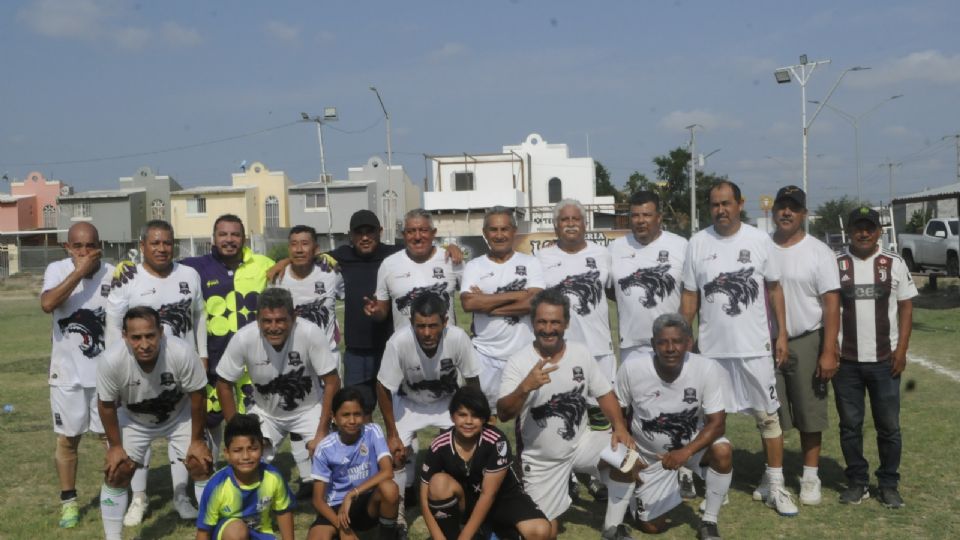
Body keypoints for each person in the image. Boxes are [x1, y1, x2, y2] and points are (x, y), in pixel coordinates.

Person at [679, 180, 798, 516]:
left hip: (754, 348)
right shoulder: (697, 243)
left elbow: (774, 290)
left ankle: (775, 485)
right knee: (714, 421)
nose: (721, 210)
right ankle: (720, 487)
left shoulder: (760, 240)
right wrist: (683, 335)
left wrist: (782, 335)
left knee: (767, 417)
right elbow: (690, 296)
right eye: (715, 204)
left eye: (727, 203)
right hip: (713, 352)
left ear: (740, 204)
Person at [497, 289, 635, 540]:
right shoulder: (518, 362)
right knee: (543, 533)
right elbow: (504, 413)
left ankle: (612, 528)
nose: (548, 329)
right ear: (532, 322)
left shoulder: (580, 353)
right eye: (542, 322)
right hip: (541, 461)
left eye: (555, 322)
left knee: (630, 460)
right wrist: (525, 387)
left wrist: (620, 427)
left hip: (581, 443)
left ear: (566, 324)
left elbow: (604, 393)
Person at [105, 219, 208, 523]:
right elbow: (113, 323)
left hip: (180, 371)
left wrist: (201, 355)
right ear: (142, 247)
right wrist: (121, 368)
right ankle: (138, 497)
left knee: (183, 432)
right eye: (155, 243)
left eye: (167, 243)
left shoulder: (189, 274)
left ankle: (180, 495)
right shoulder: (127, 278)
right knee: (140, 428)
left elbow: (199, 315)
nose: (162, 249)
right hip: (139, 372)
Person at [96, 306, 212, 540]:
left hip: (179, 415)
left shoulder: (181, 351)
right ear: (125, 337)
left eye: (150, 335)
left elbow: (198, 396)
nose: (144, 344)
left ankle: (215, 528)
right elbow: (106, 405)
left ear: (161, 332)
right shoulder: (110, 360)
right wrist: (115, 447)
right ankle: (113, 536)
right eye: (136, 337)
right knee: (116, 471)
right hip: (133, 420)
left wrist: (197, 440)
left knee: (201, 464)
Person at [615, 314, 733, 540]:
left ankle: (709, 521)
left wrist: (686, 452)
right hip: (648, 457)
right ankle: (636, 495)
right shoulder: (632, 368)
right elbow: (617, 418)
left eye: (677, 341)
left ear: (688, 343)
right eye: (663, 342)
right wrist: (630, 458)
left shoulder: (706, 368)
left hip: (690, 451)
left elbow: (717, 424)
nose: (670, 348)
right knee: (652, 527)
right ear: (653, 344)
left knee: (723, 450)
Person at [215, 287, 341, 494]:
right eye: (267, 321)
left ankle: (332, 510)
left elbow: (332, 381)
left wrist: (321, 431)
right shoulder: (244, 338)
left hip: (309, 409)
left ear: (294, 316)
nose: (274, 327)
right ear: (257, 320)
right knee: (244, 458)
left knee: (331, 455)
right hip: (266, 413)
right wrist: (236, 429)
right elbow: (223, 383)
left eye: (281, 320)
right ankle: (251, 511)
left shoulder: (310, 333)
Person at [376, 292, 482, 533]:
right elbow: (382, 387)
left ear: (445, 322)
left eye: (432, 326)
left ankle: (464, 499)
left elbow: (472, 379)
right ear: (411, 323)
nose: (426, 333)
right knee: (396, 453)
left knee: (465, 449)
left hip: (447, 401)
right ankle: (400, 510)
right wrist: (392, 432)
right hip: (408, 401)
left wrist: (475, 417)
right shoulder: (398, 342)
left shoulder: (457, 338)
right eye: (420, 326)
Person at [834, 206, 917, 509]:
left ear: (879, 231)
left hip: (885, 361)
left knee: (889, 427)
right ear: (850, 231)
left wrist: (902, 349)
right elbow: (828, 309)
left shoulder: (893, 263)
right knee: (849, 427)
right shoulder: (837, 263)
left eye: (869, 227)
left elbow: (906, 306)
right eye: (858, 227)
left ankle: (888, 483)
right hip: (847, 363)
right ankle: (857, 482)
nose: (864, 233)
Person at [536, 198, 616, 501]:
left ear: (585, 224)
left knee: (600, 416)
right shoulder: (542, 258)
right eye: (564, 219)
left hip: (600, 350)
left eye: (576, 219)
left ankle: (598, 473)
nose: (570, 223)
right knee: (564, 413)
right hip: (560, 351)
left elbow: (615, 292)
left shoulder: (602, 254)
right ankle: (566, 474)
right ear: (556, 225)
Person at [768, 186, 841, 506]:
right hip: (767, 342)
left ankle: (810, 476)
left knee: (810, 413)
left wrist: (828, 349)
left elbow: (832, 304)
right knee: (772, 414)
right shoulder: (762, 247)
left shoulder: (818, 251)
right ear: (773, 212)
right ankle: (775, 476)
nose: (786, 212)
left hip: (807, 338)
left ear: (804, 214)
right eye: (782, 207)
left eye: (793, 208)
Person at [40, 222, 115, 528]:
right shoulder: (57, 270)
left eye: (91, 246)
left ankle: (114, 495)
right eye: (78, 246)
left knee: (110, 439)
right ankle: (69, 502)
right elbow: (47, 304)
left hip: (105, 375)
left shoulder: (114, 274)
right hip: (66, 375)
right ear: (67, 247)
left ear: (101, 245)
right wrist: (78, 272)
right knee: (67, 440)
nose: (86, 252)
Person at [180, 214, 275, 427]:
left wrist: (287, 261)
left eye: (235, 234)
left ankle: (253, 460)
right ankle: (211, 461)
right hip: (213, 361)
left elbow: (294, 267)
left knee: (253, 421)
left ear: (244, 239)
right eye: (223, 234)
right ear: (213, 238)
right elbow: (162, 265)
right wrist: (128, 267)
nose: (229, 239)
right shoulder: (196, 267)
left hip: (252, 363)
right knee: (207, 423)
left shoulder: (264, 264)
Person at [421, 386, 550, 540]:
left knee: (541, 531)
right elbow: (423, 498)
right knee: (438, 483)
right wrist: (438, 537)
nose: (468, 421)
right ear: (452, 417)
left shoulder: (496, 441)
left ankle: (491, 531)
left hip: (502, 499)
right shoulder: (439, 445)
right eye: (462, 415)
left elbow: (489, 494)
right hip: (466, 501)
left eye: (475, 416)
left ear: (484, 418)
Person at [460, 206, 544, 410]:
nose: (499, 235)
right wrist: (519, 294)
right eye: (493, 230)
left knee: (528, 414)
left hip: (523, 352)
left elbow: (534, 303)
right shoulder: (475, 266)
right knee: (484, 415)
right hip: (484, 355)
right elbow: (468, 303)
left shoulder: (531, 263)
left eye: (504, 229)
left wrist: (488, 305)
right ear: (485, 233)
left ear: (514, 231)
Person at [308, 387, 400, 540]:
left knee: (389, 488)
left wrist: (352, 494)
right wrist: (343, 528)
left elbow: (388, 471)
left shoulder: (372, 431)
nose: (352, 420)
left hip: (366, 501)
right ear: (334, 417)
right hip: (336, 506)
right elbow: (318, 500)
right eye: (345, 415)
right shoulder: (324, 449)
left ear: (364, 415)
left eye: (357, 414)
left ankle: (388, 535)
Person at [608, 190, 687, 358]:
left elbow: (691, 293)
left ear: (659, 217)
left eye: (647, 215)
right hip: (631, 346)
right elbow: (611, 290)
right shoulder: (615, 248)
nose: (640, 221)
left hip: (672, 343)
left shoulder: (681, 246)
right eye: (635, 215)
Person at [196, 414, 295, 540]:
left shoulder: (273, 477)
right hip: (231, 535)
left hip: (261, 535)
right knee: (237, 531)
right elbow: (203, 532)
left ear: (262, 449)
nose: (246, 456)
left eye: (252, 449)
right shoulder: (217, 486)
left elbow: (284, 512)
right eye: (237, 450)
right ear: (227, 454)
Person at [364, 209, 462, 331]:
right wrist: (376, 311)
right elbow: (382, 312)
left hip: (446, 347)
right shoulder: (389, 264)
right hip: (406, 347)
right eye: (411, 231)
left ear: (433, 233)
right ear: (403, 235)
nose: (417, 237)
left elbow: (470, 301)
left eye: (423, 230)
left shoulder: (452, 259)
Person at [275, 225, 344, 368]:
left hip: (327, 358)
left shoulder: (331, 274)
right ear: (289, 249)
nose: (299, 249)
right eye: (294, 244)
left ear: (316, 249)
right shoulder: (277, 279)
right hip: (291, 360)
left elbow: (348, 296)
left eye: (305, 244)